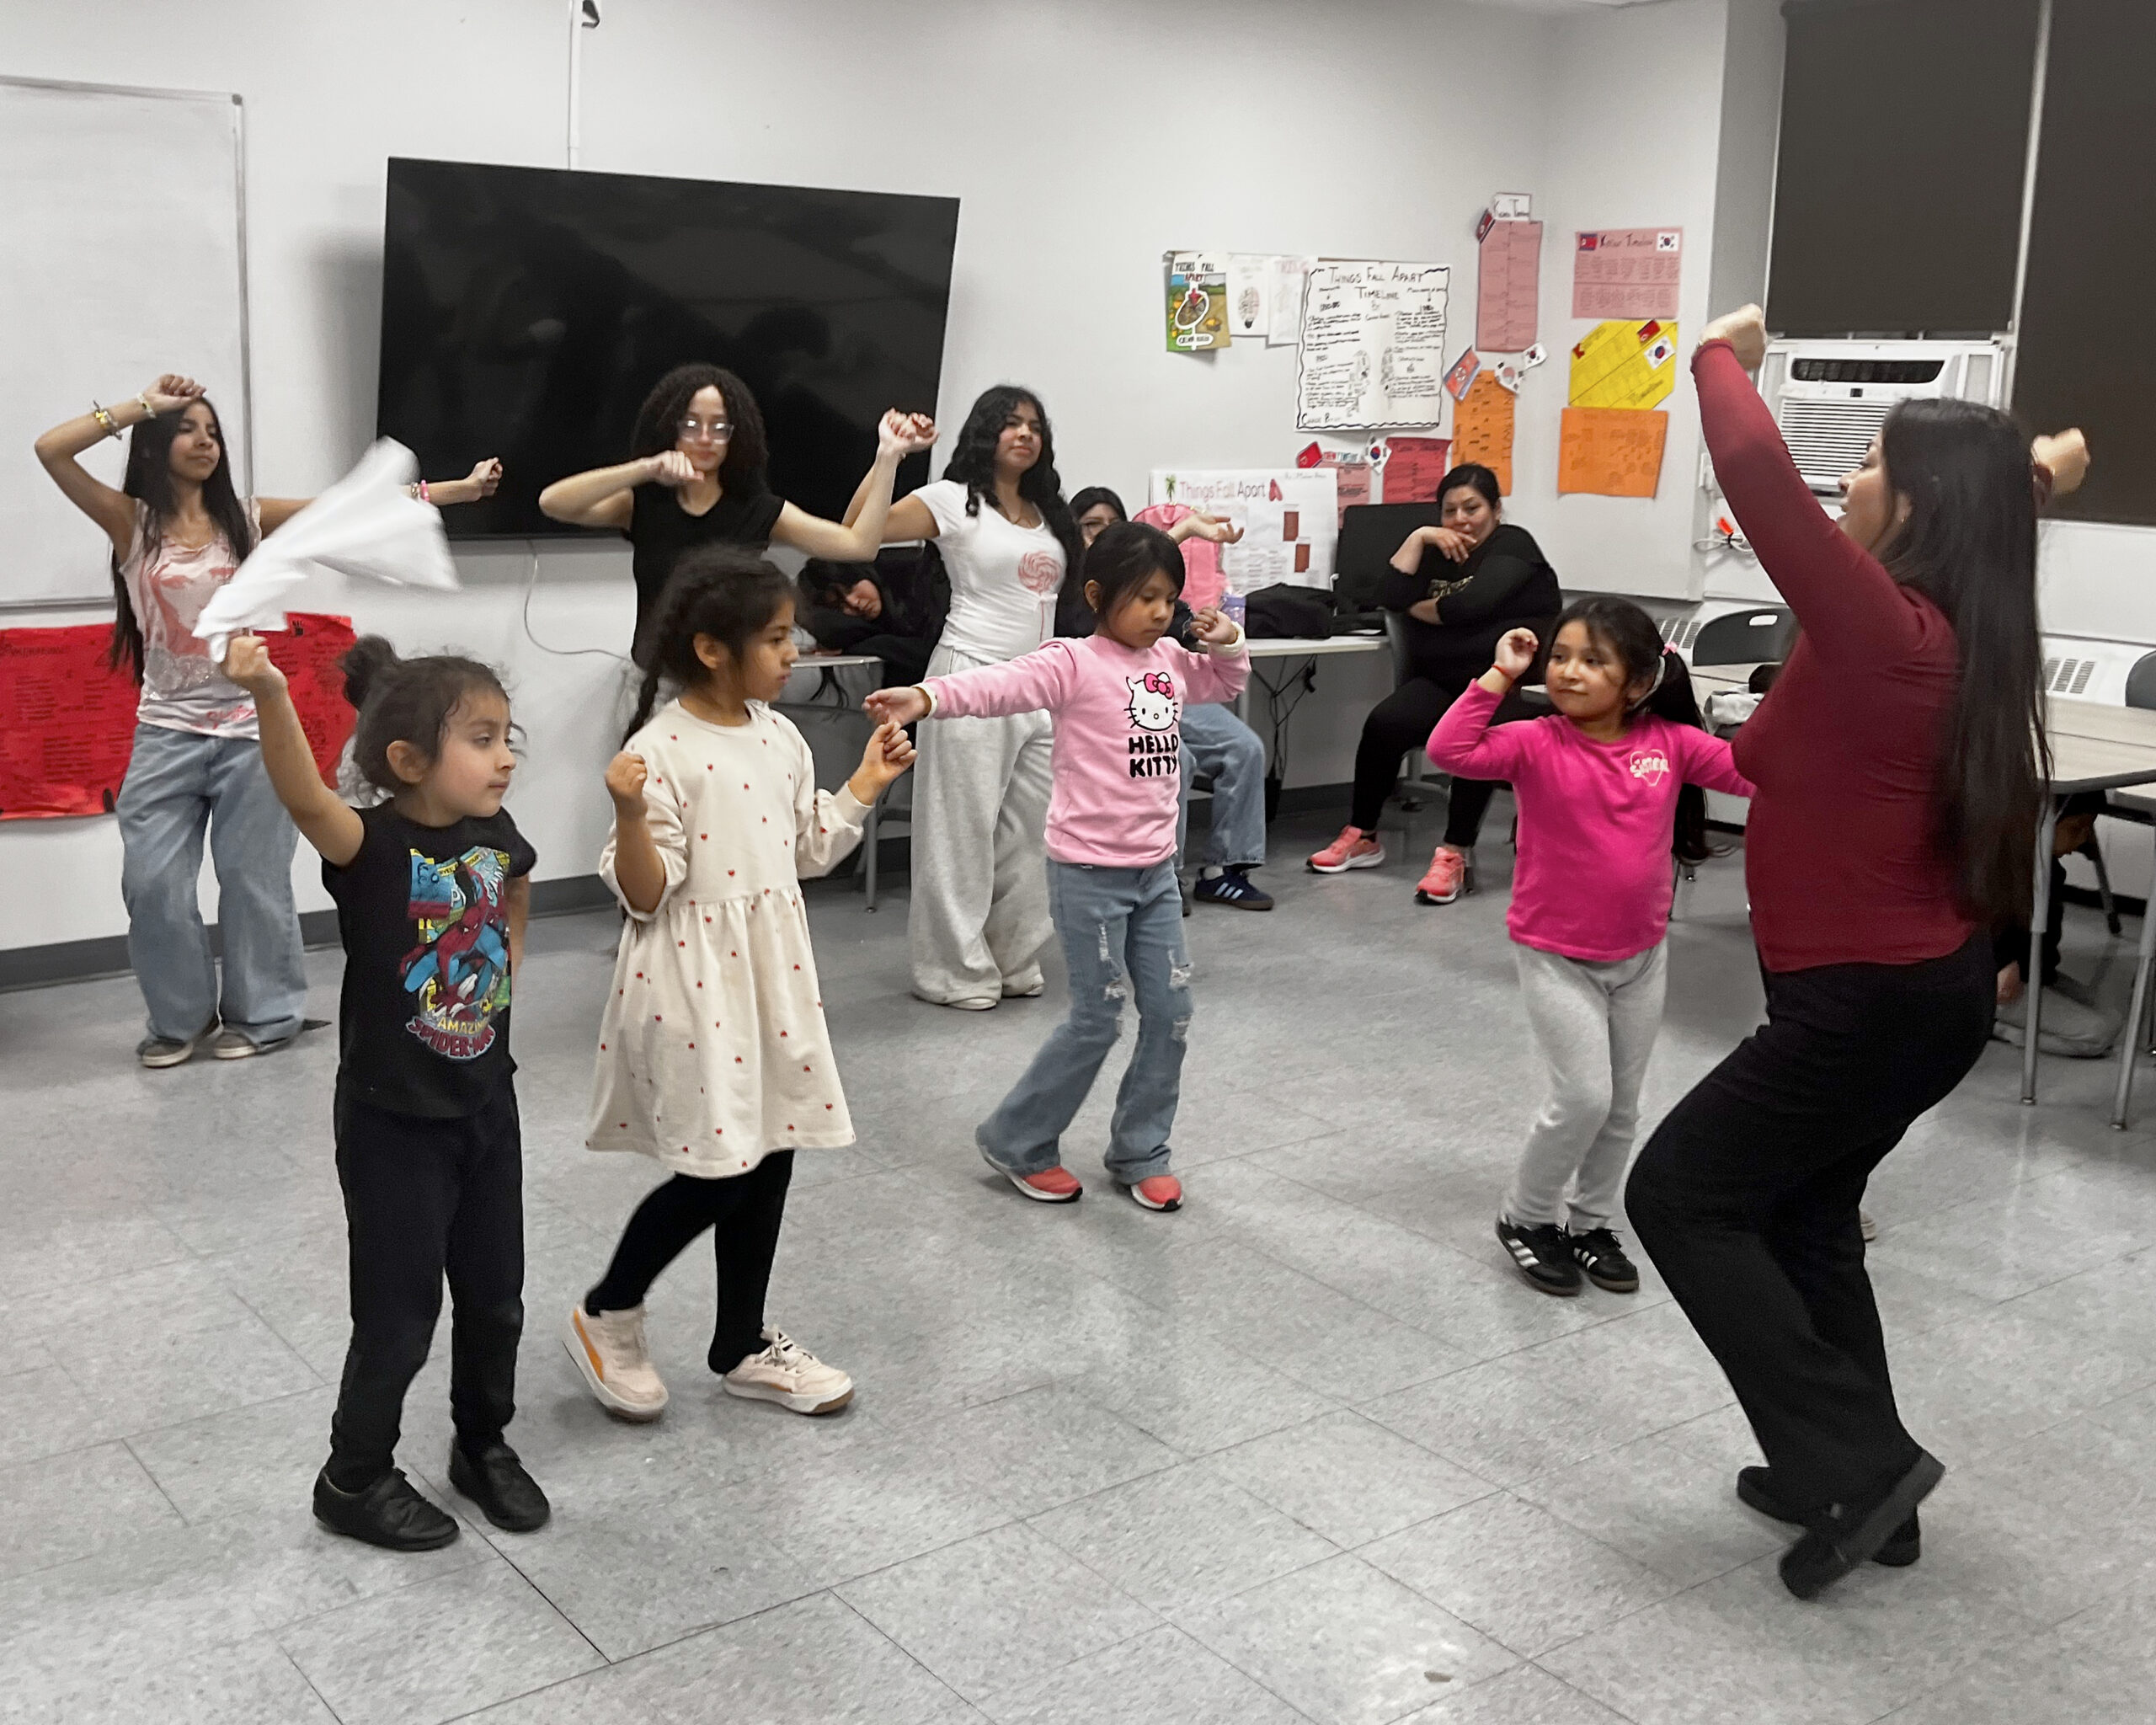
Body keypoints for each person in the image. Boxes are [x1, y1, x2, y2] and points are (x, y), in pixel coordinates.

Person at [1624, 303, 2089, 1599]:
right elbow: (1991, 508)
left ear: (1924, 503)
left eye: (1875, 461)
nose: (1853, 479)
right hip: (1915, 996)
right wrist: (2041, 470)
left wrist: (1718, 352)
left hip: (1866, 1004)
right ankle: (1858, 1482)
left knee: (1682, 1197)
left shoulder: (1888, 629)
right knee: (1809, 1218)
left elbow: (1755, 468)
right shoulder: (1950, 624)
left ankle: (1859, 1461)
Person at [31, 376, 500, 1069]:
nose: (205, 442)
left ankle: (267, 1015)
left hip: (250, 731)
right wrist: (144, 405)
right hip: (166, 731)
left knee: (254, 880)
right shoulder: (132, 524)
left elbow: (352, 511)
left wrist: (457, 491)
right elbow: (51, 450)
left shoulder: (244, 520)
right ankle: (179, 1020)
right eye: (188, 429)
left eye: (213, 431)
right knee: (153, 884)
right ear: (156, 444)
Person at [567, 548, 914, 1423]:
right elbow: (645, 893)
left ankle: (741, 1343)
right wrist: (627, 813)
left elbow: (807, 848)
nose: (794, 651)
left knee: (774, 1150)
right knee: (718, 1169)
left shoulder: (779, 735)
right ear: (712, 649)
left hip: (770, 978)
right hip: (692, 987)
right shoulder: (660, 750)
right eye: (775, 638)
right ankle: (608, 1309)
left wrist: (865, 782)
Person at [221, 630, 546, 1552]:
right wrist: (269, 692)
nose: (506, 757)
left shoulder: (495, 833)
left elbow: (515, 885)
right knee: (400, 1319)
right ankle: (353, 1477)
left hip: (487, 1105)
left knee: (496, 1299)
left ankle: (482, 1444)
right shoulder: (372, 845)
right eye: (481, 739)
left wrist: (508, 968)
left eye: (507, 736)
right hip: (393, 1124)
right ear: (407, 761)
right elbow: (302, 794)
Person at [867, 522, 1248, 1211]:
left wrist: (1228, 641)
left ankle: (1141, 1151)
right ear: (1098, 596)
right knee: (1098, 1018)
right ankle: (1018, 1141)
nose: (1161, 612)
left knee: (1172, 1013)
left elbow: (1224, 682)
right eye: (1146, 597)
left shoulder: (1168, 658)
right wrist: (927, 697)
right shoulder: (1073, 661)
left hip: (1156, 875)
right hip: (1088, 876)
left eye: (1169, 599)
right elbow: (1001, 686)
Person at [1428, 599, 1752, 1299]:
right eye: (1561, 656)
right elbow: (1449, 752)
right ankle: (1525, 1215)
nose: (1569, 672)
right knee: (1583, 1097)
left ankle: (1591, 1222)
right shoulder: (1536, 740)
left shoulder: (1671, 744)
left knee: (1622, 1107)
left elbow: (1759, 776)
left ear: (1638, 682)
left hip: (1641, 957)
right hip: (1557, 954)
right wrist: (1499, 675)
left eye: (1593, 660)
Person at [846, 385, 1082, 1007]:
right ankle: (951, 971)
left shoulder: (1047, 511)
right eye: (1010, 423)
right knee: (960, 834)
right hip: (968, 677)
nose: (1025, 434)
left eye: (1034, 425)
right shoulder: (952, 500)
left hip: (1039, 689)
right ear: (984, 431)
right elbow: (857, 533)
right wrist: (889, 456)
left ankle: (1012, 955)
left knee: (1038, 833)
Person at [535, 364, 935, 664]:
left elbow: (859, 545)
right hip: (654, 683)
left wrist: (888, 457)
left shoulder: (758, 510)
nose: (705, 438)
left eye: (719, 428)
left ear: (735, 436)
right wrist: (644, 468)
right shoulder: (644, 504)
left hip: (730, 684)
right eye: (691, 425)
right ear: (670, 429)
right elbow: (554, 502)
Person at [1308, 465, 1560, 905]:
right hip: (1445, 680)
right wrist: (1418, 538)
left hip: (1510, 688)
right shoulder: (1437, 547)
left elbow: (1467, 607)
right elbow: (1387, 597)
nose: (1461, 520)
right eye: (1449, 511)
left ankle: (1455, 852)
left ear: (1496, 510)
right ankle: (1363, 835)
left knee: (1477, 739)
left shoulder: (1514, 544)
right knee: (1385, 723)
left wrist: (1420, 607)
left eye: (1472, 508)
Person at [1069, 488, 1270, 911]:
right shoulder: (1076, 586)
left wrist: (1213, 634)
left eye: (1113, 525)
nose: (1102, 533)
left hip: (1165, 687)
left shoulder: (1156, 592)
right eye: (1091, 526)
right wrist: (1185, 530)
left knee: (1245, 747)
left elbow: (1187, 638)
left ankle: (1224, 871)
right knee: (1174, 759)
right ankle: (1165, 875)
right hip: (1114, 701)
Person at [795, 551, 947, 686]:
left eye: (851, 587)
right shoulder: (865, 624)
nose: (854, 603)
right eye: (840, 606)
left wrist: (855, 648)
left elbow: (935, 651)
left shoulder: (915, 572)